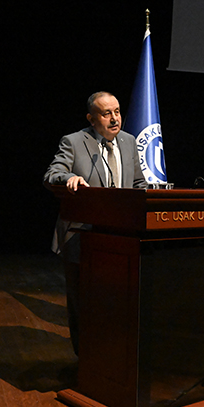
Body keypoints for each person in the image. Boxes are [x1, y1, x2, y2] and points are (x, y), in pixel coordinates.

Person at [44, 91, 147, 354]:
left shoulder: (129, 141)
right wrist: (69, 178)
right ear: (91, 119)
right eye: (106, 113)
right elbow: (52, 173)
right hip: (81, 237)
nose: (114, 119)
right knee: (83, 302)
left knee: (116, 301)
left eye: (117, 112)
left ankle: (112, 354)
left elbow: (138, 183)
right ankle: (85, 358)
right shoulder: (74, 142)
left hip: (121, 239)